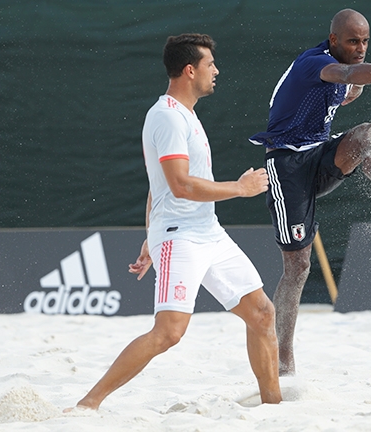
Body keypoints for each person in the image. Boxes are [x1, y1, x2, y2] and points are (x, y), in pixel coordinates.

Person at [66, 33, 282, 411]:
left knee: (262, 313)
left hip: (207, 233)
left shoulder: (186, 114)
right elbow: (179, 186)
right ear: (189, 70)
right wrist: (240, 188)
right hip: (181, 236)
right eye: (209, 65)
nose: (216, 71)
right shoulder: (166, 116)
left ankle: (274, 407)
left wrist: (149, 236)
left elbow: (157, 187)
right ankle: (89, 403)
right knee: (168, 333)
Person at [249, 8, 371, 376]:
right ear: (334, 40)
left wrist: (356, 86)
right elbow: (345, 75)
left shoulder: (344, 67)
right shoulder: (316, 63)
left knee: (369, 133)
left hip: (319, 153)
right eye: (353, 41)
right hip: (287, 166)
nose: (360, 48)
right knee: (297, 266)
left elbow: (349, 87)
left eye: (365, 41)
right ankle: (284, 361)